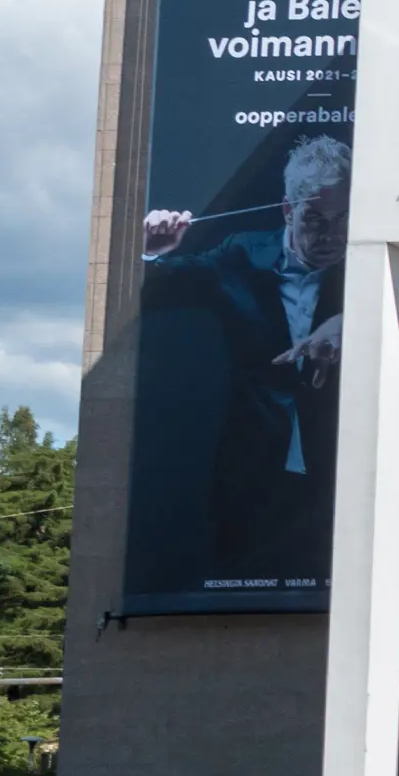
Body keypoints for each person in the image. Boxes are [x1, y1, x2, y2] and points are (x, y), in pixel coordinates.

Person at [136, 137, 350, 585]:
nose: (331, 235)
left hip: (343, 481)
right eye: (316, 219)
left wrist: (348, 321)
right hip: (252, 480)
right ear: (289, 211)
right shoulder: (240, 253)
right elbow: (158, 290)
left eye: (343, 218)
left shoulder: (370, 264)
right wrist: (153, 251)